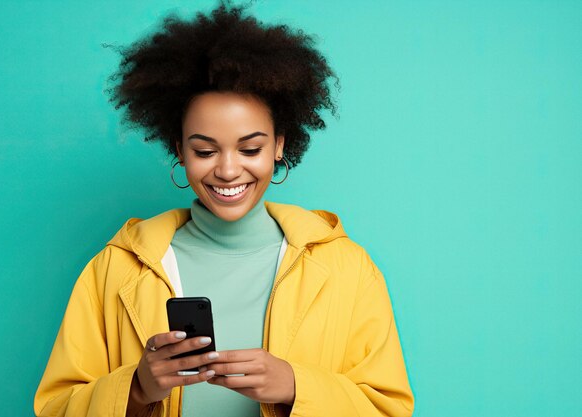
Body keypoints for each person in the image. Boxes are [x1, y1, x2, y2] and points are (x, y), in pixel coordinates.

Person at [34, 5, 414, 417]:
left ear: (280, 145)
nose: (228, 169)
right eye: (204, 150)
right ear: (179, 150)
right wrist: (137, 389)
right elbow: (55, 407)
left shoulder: (347, 268)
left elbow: (387, 409)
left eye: (250, 148)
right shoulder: (116, 268)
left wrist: (295, 388)